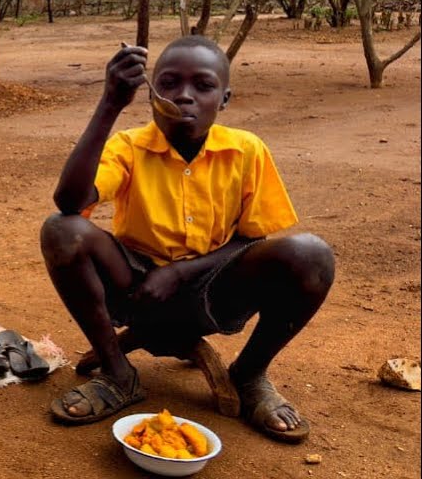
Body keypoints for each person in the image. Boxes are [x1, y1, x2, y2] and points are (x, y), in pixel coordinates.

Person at [39, 35, 335, 443]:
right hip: (134, 286)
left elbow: (253, 239)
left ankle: (249, 375)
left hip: (215, 286)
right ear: (152, 93)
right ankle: (117, 372)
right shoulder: (128, 147)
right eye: (170, 84)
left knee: (311, 255)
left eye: (203, 86)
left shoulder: (246, 151)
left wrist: (181, 272)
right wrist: (110, 104)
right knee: (61, 229)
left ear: (225, 98)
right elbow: (69, 202)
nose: (185, 96)